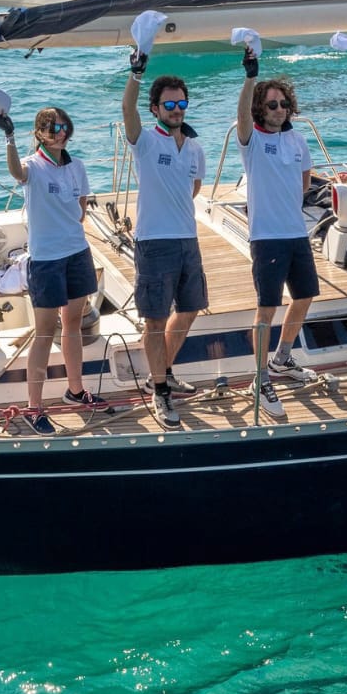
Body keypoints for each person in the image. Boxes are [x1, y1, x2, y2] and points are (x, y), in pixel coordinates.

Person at [0, 102, 104, 436]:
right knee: (44, 332)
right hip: (46, 261)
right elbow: (16, 173)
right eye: (52, 128)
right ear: (39, 134)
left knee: (72, 322)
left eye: (63, 127)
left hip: (77, 252)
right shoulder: (32, 166)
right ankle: (34, 406)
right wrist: (9, 137)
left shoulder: (77, 167)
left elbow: (81, 210)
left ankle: (75, 390)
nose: (60, 133)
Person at [122, 53, 207, 429]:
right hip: (154, 242)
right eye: (169, 104)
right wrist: (136, 73)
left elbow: (194, 188)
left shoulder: (194, 147)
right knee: (154, 321)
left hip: (188, 239)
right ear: (156, 108)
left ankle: (164, 371)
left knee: (188, 310)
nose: (176, 109)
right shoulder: (145, 141)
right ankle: (160, 390)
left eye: (181, 103)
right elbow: (127, 108)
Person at [236, 45, 321, 421]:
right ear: (259, 108)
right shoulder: (251, 141)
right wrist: (250, 76)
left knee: (304, 296)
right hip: (267, 236)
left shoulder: (296, 140)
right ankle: (260, 376)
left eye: (284, 103)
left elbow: (304, 183)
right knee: (266, 308)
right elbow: (239, 116)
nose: (280, 109)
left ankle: (283, 358)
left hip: (296, 233)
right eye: (272, 104)